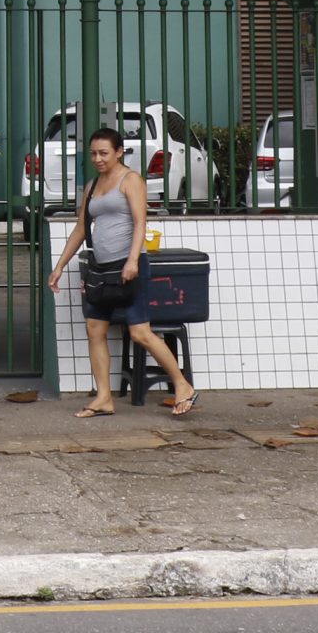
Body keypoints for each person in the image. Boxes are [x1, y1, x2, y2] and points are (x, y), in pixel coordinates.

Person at [46, 125, 198, 418]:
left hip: (129, 266)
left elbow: (141, 222)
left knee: (140, 332)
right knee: (95, 329)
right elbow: (81, 228)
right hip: (101, 270)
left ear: (119, 152)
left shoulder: (131, 180)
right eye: (93, 153)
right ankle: (103, 397)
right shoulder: (92, 186)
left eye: (104, 153)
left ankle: (182, 385)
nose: (98, 159)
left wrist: (132, 261)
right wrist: (59, 265)